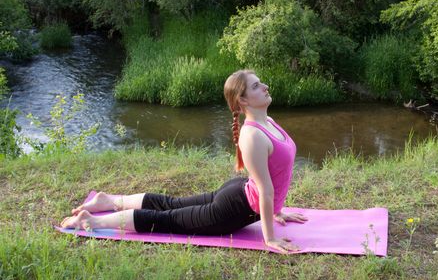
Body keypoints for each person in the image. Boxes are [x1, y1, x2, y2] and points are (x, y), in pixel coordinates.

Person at [61, 70, 308, 253]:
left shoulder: (269, 121)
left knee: (171, 204)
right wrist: (270, 238)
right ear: (242, 100)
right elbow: (265, 190)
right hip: (233, 209)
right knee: (166, 219)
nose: (264, 86)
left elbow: (274, 175)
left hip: (239, 192)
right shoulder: (252, 134)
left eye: (260, 82)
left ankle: (110, 200)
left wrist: (278, 209)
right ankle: (91, 221)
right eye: (256, 86)